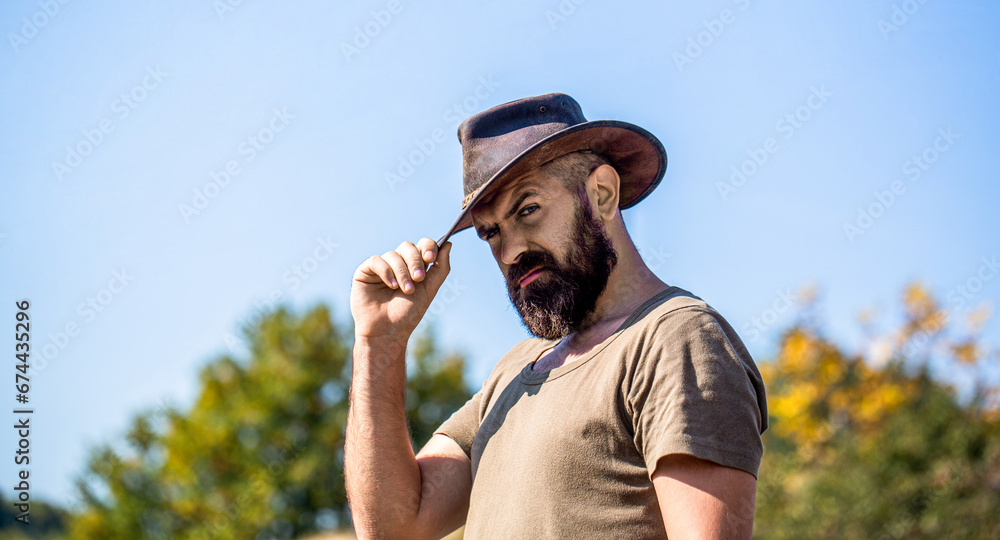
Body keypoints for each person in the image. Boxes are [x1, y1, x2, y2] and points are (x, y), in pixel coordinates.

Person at [346, 93, 768, 539]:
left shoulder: (675, 339)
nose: (510, 253)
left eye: (527, 210)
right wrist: (379, 342)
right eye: (491, 233)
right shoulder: (512, 374)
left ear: (601, 194)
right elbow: (393, 529)